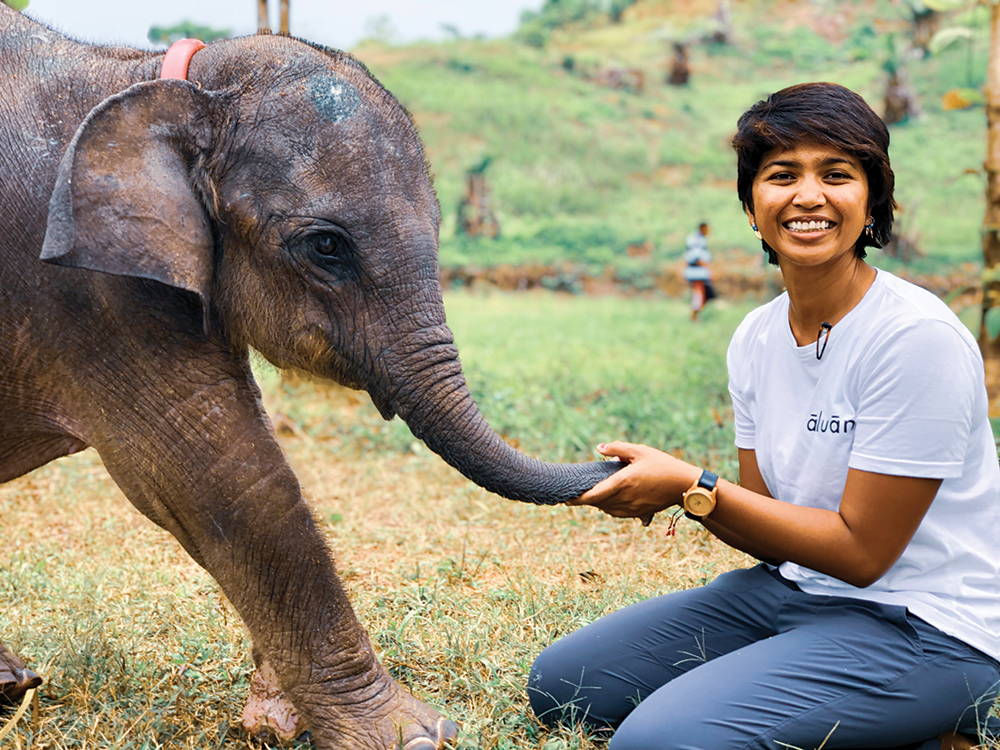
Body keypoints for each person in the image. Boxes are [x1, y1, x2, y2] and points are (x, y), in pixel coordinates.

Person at [528, 82, 1000, 750]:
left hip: (926, 625)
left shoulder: (914, 337)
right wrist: (690, 493)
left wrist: (692, 484)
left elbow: (864, 555)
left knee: (656, 744)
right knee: (564, 686)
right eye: (782, 176)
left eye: (837, 175)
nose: (808, 196)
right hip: (794, 595)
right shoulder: (755, 336)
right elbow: (769, 523)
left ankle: (935, 716)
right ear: (753, 206)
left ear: (874, 202)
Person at [682, 221, 716, 320]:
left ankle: (696, 313)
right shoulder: (697, 240)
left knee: (701, 293)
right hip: (697, 272)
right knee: (699, 293)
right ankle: (694, 313)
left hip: (697, 271)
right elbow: (698, 257)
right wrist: (709, 269)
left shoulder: (697, 238)